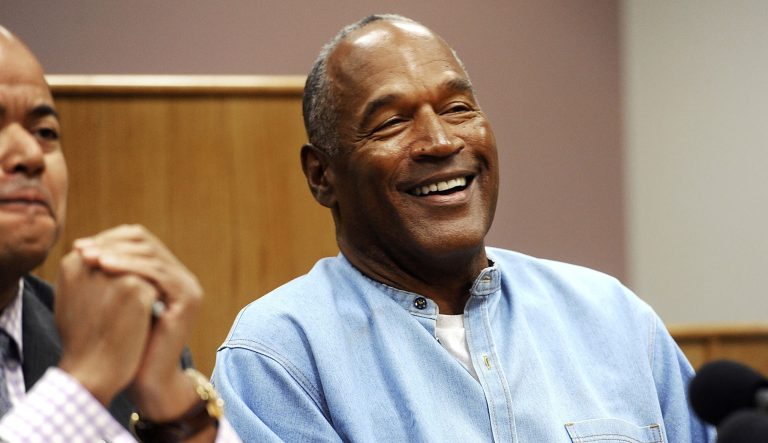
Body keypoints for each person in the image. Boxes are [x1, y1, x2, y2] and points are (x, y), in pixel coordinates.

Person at [212, 14, 715, 442]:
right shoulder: (280, 355)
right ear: (322, 176)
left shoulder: (613, 319)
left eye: (458, 109)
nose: (439, 140)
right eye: (391, 122)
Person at [0, 26, 240, 442]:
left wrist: (174, 409)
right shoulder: (95, 358)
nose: (30, 156)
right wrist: (83, 384)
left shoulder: (114, 339)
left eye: (45, 133)